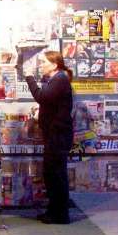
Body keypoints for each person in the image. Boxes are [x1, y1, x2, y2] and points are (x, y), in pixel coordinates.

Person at [24, 51, 73, 224]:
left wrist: (29, 77)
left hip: (58, 137)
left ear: (54, 64)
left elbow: (41, 97)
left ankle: (60, 214)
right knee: (52, 174)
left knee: (56, 175)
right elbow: (50, 102)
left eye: (44, 62)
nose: (41, 64)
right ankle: (54, 211)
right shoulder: (55, 79)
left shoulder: (60, 79)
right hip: (54, 135)